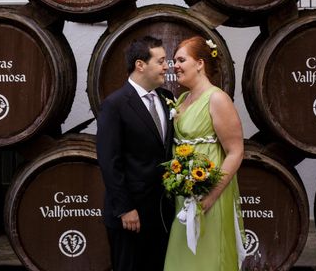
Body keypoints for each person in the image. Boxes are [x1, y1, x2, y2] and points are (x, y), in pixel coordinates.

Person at [164, 36, 245, 270]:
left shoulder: (217, 99)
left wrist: (210, 196)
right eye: (173, 61)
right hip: (185, 195)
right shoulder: (181, 100)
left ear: (200, 63)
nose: (175, 65)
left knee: (208, 257)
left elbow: (235, 151)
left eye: (181, 60)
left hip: (211, 195)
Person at [96, 35, 175, 271]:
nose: (166, 66)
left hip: (162, 211)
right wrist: (125, 209)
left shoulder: (167, 98)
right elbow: (110, 162)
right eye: (160, 61)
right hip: (130, 215)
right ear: (140, 65)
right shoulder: (115, 104)